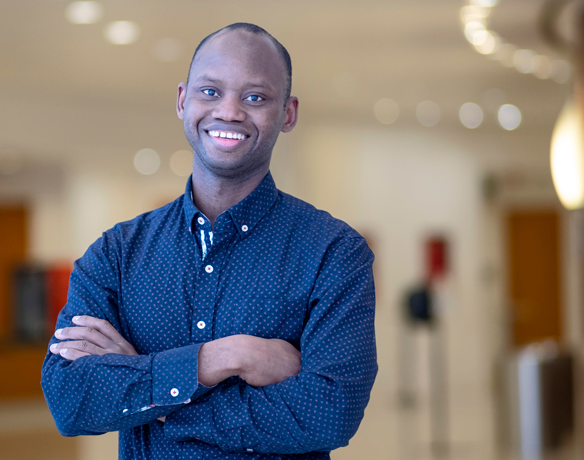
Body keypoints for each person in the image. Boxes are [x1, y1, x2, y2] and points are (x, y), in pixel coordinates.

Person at [41, 22, 377, 460]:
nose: (230, 112)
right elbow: (71, 401)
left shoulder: (333, 253)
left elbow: (329, 412)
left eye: (255, 97)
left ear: (288, 113)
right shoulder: (116, 254)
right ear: (183, 101)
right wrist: (222, 357)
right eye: (210, 92)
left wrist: (154, 397)